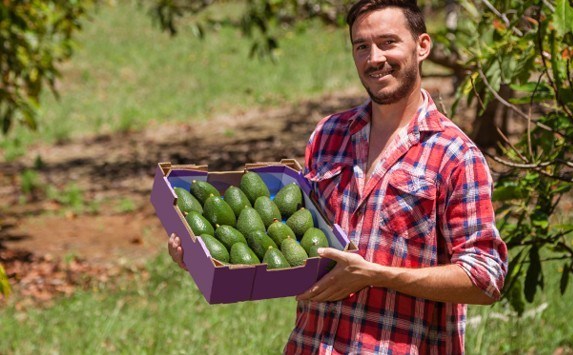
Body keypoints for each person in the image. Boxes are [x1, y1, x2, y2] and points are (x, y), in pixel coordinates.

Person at [169, 0, 508, 353]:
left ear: (422, 46)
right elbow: (281, 236)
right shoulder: (329, 135)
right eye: (362, 46)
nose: (374, 58)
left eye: (388, 43)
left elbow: (484, 277)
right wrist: (203, 253)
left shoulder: (456, 156)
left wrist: (378, 275)